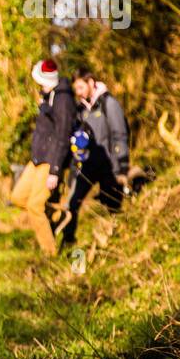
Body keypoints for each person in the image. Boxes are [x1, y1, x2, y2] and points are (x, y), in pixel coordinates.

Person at [10, 58, 76, 254]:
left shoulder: (63, 100)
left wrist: (55, 171)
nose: (38, 85)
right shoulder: (49, 96)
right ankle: (57, 215)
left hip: (51, 160)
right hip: (37, 159)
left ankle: (50, 253)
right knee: (17, 197)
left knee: (34, 206)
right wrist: (45, 106)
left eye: (39, 81)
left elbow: (63, 136)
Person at [58, 68, 130, 246]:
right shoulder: (80, 110)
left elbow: (120, 134)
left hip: (109, 167)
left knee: (112, 206)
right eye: (76, 89)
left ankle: (118, 241)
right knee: (71, 203)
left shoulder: (109, 103)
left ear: (91, 82)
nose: (79, 93)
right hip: (87, 166)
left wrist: (121, 167)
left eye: (81, 87)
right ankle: (68, 243)